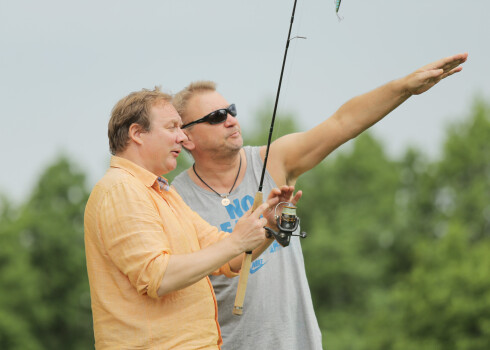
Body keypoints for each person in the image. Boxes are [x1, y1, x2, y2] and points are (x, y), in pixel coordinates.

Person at [171, 52, 468, 350]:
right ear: (187, 138)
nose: (231, 120)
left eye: (230, 110)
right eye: (216, 117)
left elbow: (343, 122)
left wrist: (404, 87)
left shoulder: (273, 161)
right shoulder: (176, 200)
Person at [84, 87, 300, 349]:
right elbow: (159, 276)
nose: (181, 136)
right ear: (137, 133)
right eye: (172, 127)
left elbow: (229, 257)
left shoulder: (163, 193)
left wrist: (266, 224)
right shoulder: (120, 189)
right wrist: (236, 243)